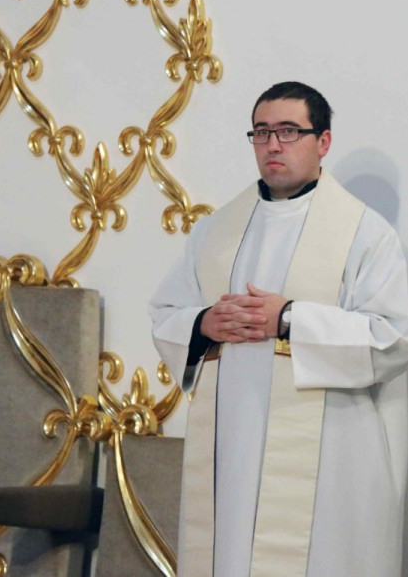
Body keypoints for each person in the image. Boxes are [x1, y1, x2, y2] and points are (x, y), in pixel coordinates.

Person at [149, 82, 408, 577]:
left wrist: (289, 319)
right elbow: (166, 313)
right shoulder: (215, 230)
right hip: (233, 449)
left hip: (329, 456)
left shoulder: (365, 233)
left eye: (289, 131)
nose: (273, 144)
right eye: (262, 132)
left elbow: (392, 337)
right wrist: (203, 323)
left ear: (323, 142)